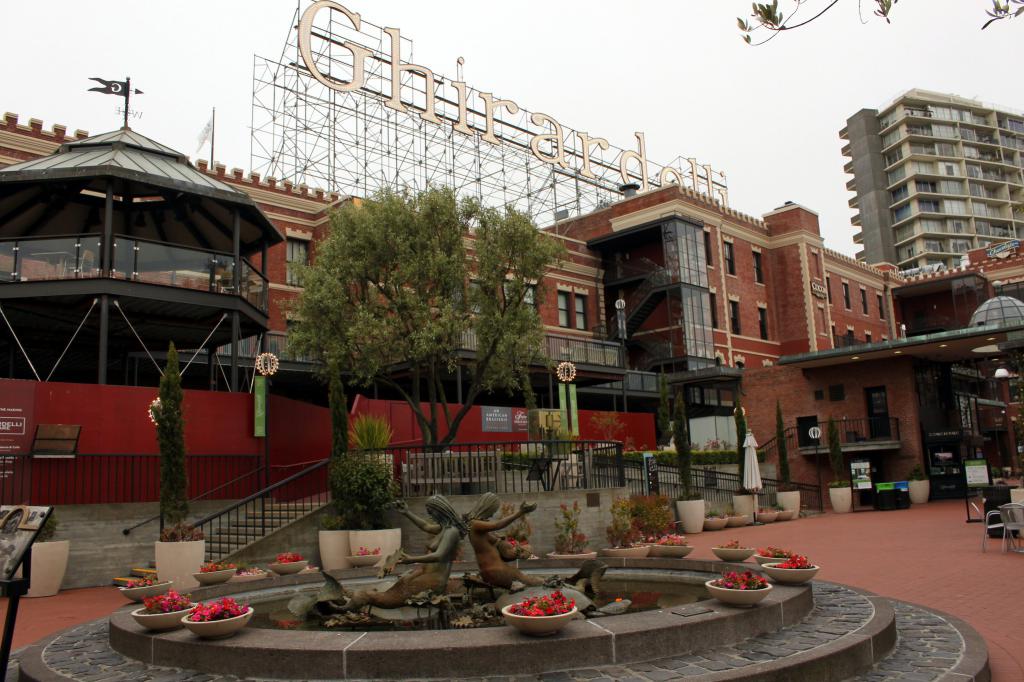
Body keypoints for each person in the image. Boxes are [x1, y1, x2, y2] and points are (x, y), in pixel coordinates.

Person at [330, 495, 466, 612]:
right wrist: (406, 512)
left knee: (392, 597)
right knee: (399, 584)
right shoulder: (444, 528)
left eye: (431, 512)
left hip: (435, 580)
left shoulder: (451, 532)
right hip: (424, 574)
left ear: (440, 511)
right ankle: (359, 596)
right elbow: (425, 526)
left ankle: (359, 599)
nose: (430, 515)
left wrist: (412, 559)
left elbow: (439, 555)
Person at [464, 493, 543, 589]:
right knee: (531, 582)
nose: (493, 514)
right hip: (494, 571)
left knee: (527, 579)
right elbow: (497, 525)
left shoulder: (480, 528)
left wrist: (517, 551)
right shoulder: (474, 524)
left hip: (495, 569)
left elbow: (499, 546)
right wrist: (520, 513)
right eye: (493, 511)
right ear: (487, 508)